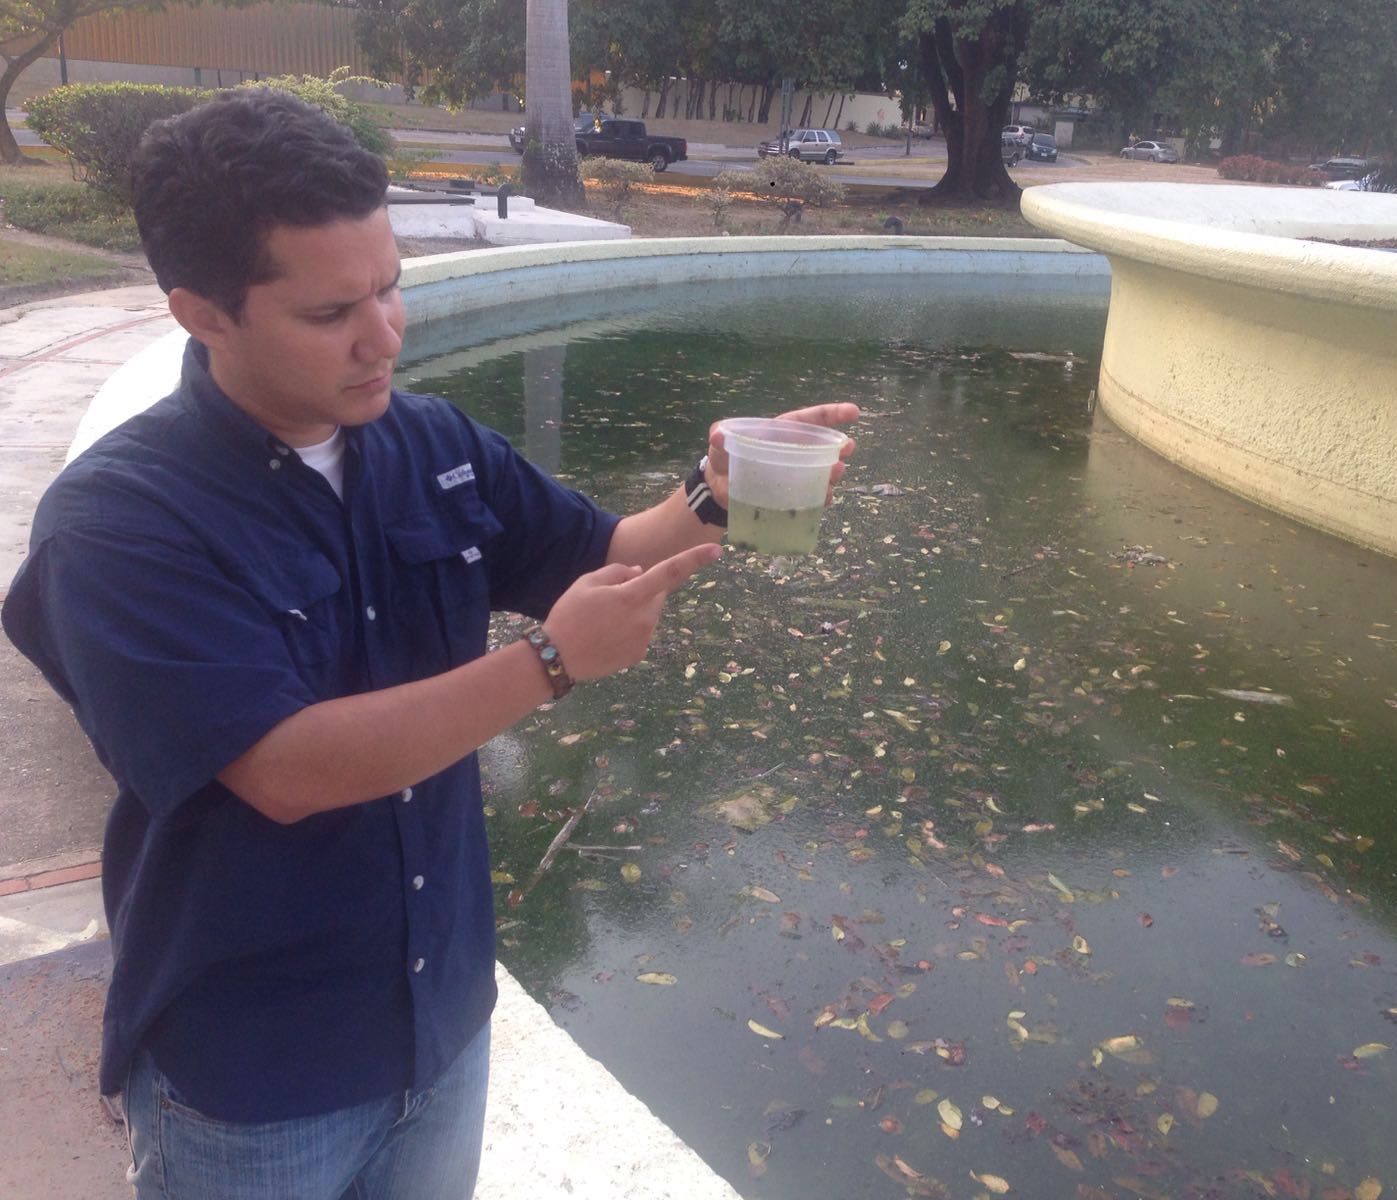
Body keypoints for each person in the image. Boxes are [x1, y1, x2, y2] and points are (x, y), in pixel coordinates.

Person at [0, 88, 857, 1199]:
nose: (384, 335)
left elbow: (599, 548)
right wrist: (547, 664)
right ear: (201, 313)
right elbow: (285, 768)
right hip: (256, 1071)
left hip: (440, 1019)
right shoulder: (120, 525)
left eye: (391, 287)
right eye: (329, 314)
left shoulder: (429, 441)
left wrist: (713, 496)